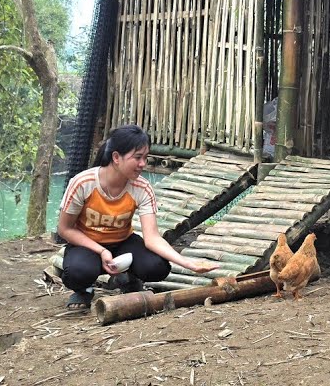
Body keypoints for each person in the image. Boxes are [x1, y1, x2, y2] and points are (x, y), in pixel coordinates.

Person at [56, 124, 218, 310]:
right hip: (87, 244)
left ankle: (128, 279)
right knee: (77, 272)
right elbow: (65, 229)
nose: (143, 164)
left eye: (145, 157)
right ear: (116, 157)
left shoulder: (142, 188)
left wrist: (188, 263)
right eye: (138, 157)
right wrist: (101, 251)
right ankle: (84, 289)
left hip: (122, 242)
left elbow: (152, 237)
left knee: (157, 267)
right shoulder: (83, 183)